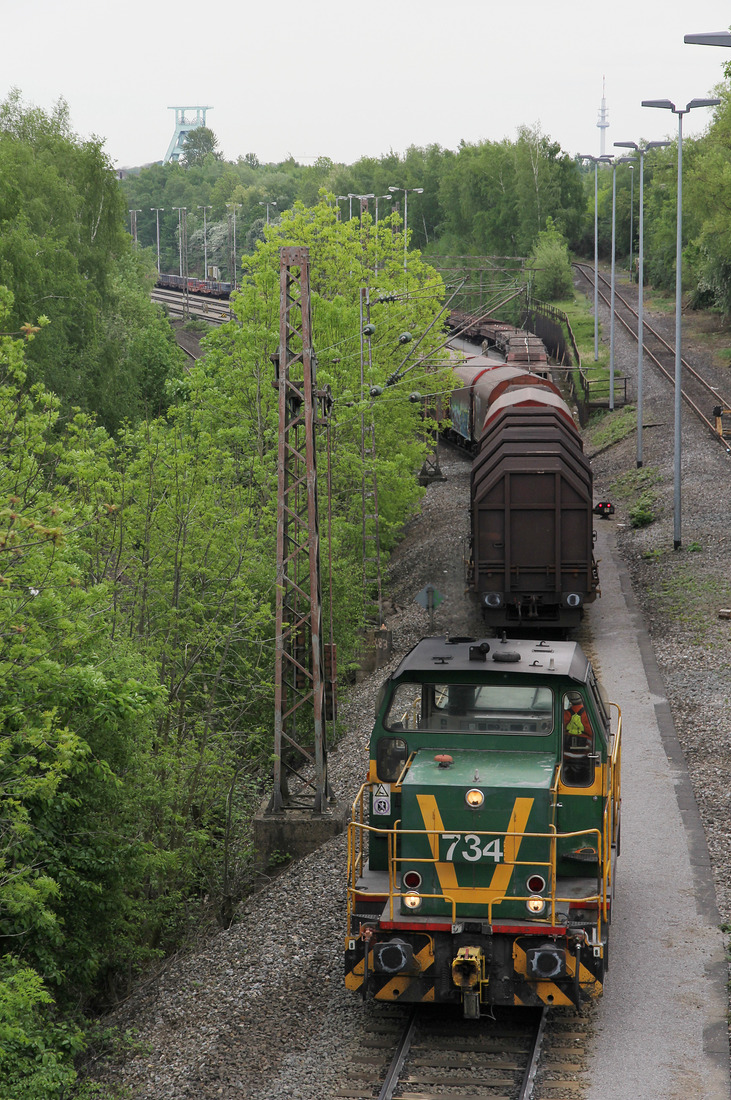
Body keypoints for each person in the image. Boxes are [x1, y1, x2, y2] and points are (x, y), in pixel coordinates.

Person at [562, 691, 593, 783]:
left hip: (566, 755)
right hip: (584, 755)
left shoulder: (565, 714)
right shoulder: (588, 715)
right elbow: (592, 733)